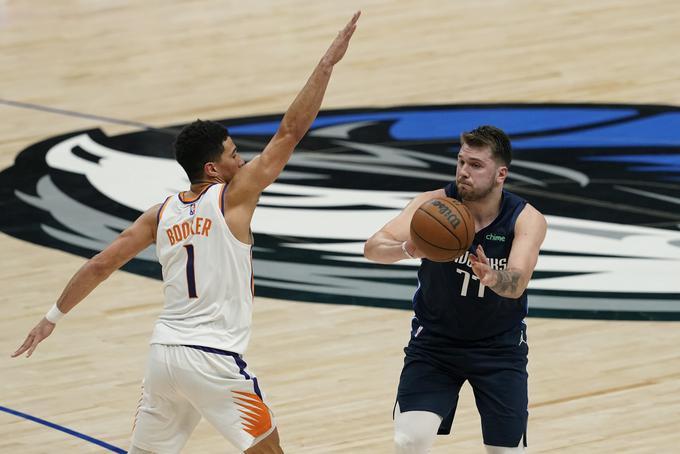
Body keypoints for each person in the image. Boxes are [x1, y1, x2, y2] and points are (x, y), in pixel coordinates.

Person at [12, 11, 360, 454]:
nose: (243, 161)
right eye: (235, 155)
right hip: (212, 359)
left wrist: (52, 318)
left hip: (164, 358)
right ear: (213, 169)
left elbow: (102, 264)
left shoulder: (160, 214)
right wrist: (327, 64)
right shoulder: (232, 197)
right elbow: (291, 131)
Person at [364, 125, 547, 454]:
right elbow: (373, 248)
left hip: (498, 349)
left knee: (506, 452)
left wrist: (493, 277)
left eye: (476, 165)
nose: (464, 171)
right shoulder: (433, 206)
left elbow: (518, 282)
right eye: (461, 162)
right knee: (410, 441)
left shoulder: (526, 219)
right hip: (435, 344)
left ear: (500, 174)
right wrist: (407, 248)